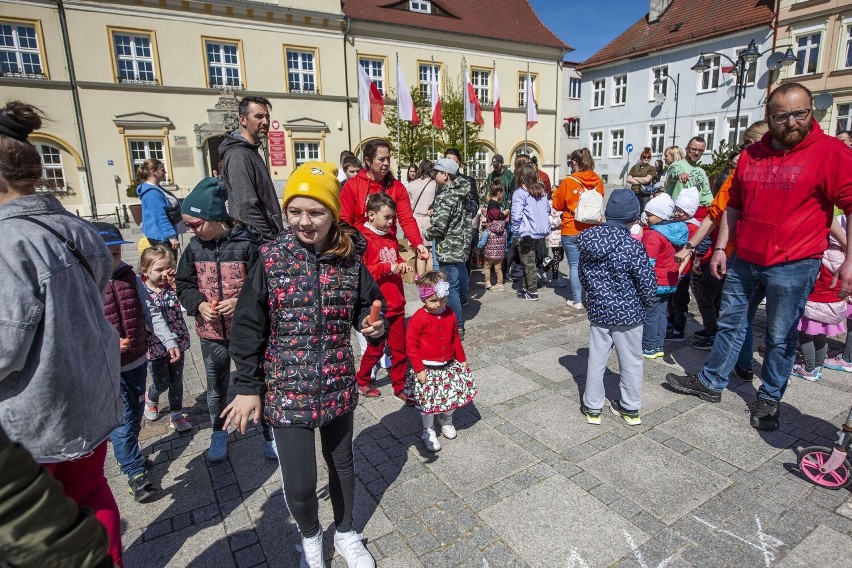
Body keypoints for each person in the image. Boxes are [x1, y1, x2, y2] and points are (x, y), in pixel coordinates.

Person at [224, 161, 385, 568]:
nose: (304, 221)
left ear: (333, 213)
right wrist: (247, 386)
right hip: (285, 388)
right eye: (295, 211)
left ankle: (347, 533)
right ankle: (311, 539)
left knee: (343, 464)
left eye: (315, 212)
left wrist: (372, 327)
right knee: (300, 481)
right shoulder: (272, 258)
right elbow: (247, 324)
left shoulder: (349, 259)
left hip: (336, 382)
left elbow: (367, 307)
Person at [666, 82, 852, 431]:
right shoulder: (753, 154)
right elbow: (733, 205)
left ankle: (769, 397)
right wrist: (721, 247)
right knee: (730, 324)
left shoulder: (831, 152)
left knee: (781, 335)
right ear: (769, 117)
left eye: (801, 113)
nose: (792, 122)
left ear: (811, 111)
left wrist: (849, 261)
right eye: (783, 116)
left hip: (794, 264)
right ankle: (711, 382)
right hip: (745, 259)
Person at [0, 100, 124, 566]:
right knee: (91, 494)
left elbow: (5, 347)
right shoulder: (75, 227)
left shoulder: (9, 241)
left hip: (34, 414)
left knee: (36, 520)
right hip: (87, 395)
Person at [175, 178, 276, 463]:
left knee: (259, 383)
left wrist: (241, 303)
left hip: (248, 334)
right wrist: (199, 305)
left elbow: (263, 285)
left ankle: (269, 434)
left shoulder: (248, 245)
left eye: (195, 224)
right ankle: (218, 432)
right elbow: (184, 285)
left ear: (215, 217)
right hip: (211, 334)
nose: (191, 231)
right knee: (216, 388)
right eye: (187, 226)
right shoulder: (194, 249)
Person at [97, 221, 180, 503]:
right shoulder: (85, 285)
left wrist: (169, 340)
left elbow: (151, 312)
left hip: (136, 360)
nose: (112, 260)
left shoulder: (129, 277)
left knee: (135, 410)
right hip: (107, 367)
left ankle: (131, 453)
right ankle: (134, 473)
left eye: (117, 253)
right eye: (105, 254)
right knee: (122, 419)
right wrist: (108, 345)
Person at [674, 121, 769, 361]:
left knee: (772, 325)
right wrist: (690, 247)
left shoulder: (785, 171)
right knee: (737, 314)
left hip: (779, 256)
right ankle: (736, 367)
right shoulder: (739, 175)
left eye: (749, 144)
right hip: (738, 252)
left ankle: (760, 375)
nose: (746, 151)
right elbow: (716, 213)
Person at [578, 189, 656, 425]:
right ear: (634, 218)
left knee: (596, 359)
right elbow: (646, 281)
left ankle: (593, 407)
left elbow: (583, 276)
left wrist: (589, 296)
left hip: (600, 310)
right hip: (629, 313)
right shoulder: (632, 247)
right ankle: (630, 408)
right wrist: (648, 301)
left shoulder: (589, 243)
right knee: (631, 361)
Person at [0, 423, 112, 568]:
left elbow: (16, 503)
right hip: (79, 416)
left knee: (88, 489)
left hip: (23, 429)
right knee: (90, 490)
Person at [406, 271, 476, 452]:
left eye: (442, 299)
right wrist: (418, 369)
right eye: (433, 301)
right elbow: (411, 346)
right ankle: (427, 429)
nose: (438, 304)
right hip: (428, 368)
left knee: (450, 394)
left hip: (448, 365)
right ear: (424, 300)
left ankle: (446, 418)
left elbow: (455, 338)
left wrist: (461, 359)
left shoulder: (450, 313)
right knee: (428, 402)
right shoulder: (419, 319)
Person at [355, 193, 412, 404]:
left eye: (393, 218)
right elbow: (363, 271)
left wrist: (401, 263)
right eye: (387, 217)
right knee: (376, 347)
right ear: (371, 215)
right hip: (378, 303)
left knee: (399, 348)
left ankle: (400, 386)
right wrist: (388, 267)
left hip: (396, 301)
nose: (391, 222)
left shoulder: (390, 235)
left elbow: (394, 257)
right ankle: (362, 380)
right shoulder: (362, 238)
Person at [340, 139, 427, 262]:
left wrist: (418, 243)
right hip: (361, 252)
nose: (386, 163)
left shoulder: (397, 187)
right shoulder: (352, 186)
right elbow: (345, 222)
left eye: (388, 159)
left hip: (387, 251)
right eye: (381, 159)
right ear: (368, 161)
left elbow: (406, 219)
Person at [140, 245, 192, 432]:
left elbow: (186, 304)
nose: (164, 274)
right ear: (145, 270)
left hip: (177, 342)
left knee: (177, 380)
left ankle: (176, 415)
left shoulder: (172, 288)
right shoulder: (142, 292)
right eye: (158, 269)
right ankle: (151, 398)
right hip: (154, 347)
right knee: (161, 382)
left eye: (167, 268)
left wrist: (177, 284)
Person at [219, 95, 283, 242]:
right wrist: (270, 239)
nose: (265, 122)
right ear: (243, 120)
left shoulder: (250, 150)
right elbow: (246, 206)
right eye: (259, 117)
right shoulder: (239, 154)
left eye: (267, 117)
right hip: (257, 241)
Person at [424, 158, 473, 338]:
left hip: (448, 247)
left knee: (449, 287)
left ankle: (457, 324)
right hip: (461, 245)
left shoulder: (446, 195)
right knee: (460, 279)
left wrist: (426, 234)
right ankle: (460, 305)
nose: (434, 175)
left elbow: (439, 226)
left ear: (445, 175)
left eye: (436, 172)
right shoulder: (463, 192)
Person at [552, 148, 605, 309]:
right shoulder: (598, 180)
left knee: (575, 265)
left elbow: (557, 204)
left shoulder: (569, 181)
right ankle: (592, 298)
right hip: (592, 229)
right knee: (591, 265)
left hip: (571, 227)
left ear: (574, 162)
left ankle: (577, 300)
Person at [792, 228, 847, 381]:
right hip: (833, 305)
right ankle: (818, 366)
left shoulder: (821, 257)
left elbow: (809, 277)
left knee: (806, 336)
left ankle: (808, 369)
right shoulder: (845, 258)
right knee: (821, 337)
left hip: (814, 304)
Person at [639, 194, 686, 358]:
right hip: (670, 280)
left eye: (649, 214)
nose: (646, 218)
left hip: (655, 282)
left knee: (650, 315)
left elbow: (647, 262)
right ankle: (659, 345)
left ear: (659, 215)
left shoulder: (653, 235)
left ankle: (649, 347)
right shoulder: (677, 231)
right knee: (661, 314)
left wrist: (641, 281)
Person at [665, 187, 701, 342]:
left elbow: (689, 251)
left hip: (683, 270)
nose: (677, 213)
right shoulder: (677, 223)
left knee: (680, 299)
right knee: (670, 299)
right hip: (673, 267)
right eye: (676, 210)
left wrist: (679, 270)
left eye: (681, 211)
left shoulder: (693, 227)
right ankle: (670, 321)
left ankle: (679, 329)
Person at [511, 164, 551, 301]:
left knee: (528, 261)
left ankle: (532, 291)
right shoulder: (541, 191)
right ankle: (528, 288)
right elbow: (548, 210)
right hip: (539, 231)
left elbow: (516, 215)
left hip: (526, 232)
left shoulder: (520, 193)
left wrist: (515, 231)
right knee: (530, 260)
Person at [136, 158, 181, 257]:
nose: (165, 172)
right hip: (160, 238)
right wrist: (171, 237)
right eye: (162, 169)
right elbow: (160, 217)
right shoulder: (152, 193)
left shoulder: (156, 189)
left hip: (162, 236)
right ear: (153, 172)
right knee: (168, 268)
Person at [407, 159, 437, 275]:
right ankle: (428, 279)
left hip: (416, 220)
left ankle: (420, 278)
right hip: (430, 220)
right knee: (429, 254)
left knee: (420, 254)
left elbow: (408, 205)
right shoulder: (435, 184)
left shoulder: (412, 184)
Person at [664, 136, 712, 205]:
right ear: (686, 149)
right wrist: (680, 173)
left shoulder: (702, 172)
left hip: (693, 214)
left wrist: (714, 207)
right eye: (693, 149)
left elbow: (706, 195)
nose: (696, 153)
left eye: (700, 150)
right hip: (674, 214)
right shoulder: (676, 165)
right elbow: (674, 171)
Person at [483, 180, 509, 291]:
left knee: (487, 265)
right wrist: (505, 214)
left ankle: (488, 282)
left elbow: (494, 216)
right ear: (499, 193)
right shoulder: (496, 205)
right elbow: (497, 215)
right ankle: (499, 284)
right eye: (502, 193)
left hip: (492, 240)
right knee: (498, 266)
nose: (502, 195)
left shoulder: (492, 204)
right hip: (500, 240)